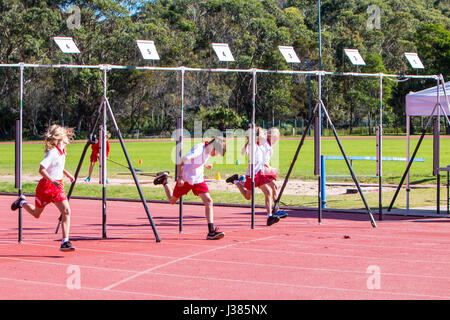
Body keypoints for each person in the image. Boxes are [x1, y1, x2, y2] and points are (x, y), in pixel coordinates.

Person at [11, 124, 76, 252]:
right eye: (66, 136)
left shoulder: (62, 152)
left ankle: (65, 242)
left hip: (57, 187)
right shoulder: (52, 153)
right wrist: (52, 180)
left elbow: (57, 167)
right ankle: (22, 202)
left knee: (66, 211)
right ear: (61, 138)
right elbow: (42, 169)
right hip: (46, 187)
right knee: (36, 214)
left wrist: (67, 174)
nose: (69, 138)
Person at [153, 136, 227, 240]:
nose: (215, 155)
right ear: (213, 146)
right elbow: (182, 161)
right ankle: (164, 180)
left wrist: (205, 165)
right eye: (217, 152)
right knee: (172, 201)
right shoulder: (198, 150)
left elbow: (198, 160)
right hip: (186, 179)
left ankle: (211, 232)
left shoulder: (207, 150)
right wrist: (179, 178)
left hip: (198, 179)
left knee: (209, 201)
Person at [226, 127, 280, 226]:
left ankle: (270, 216)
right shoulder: (252, 145)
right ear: (257, 136)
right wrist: (248, 142)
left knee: (268, 192)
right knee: (248, 196)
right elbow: (243, 152)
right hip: (252, 174)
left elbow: (264, 158)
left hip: (260, 173)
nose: (264, 136)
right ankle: (236, 181)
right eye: (262, 134)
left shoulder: (263, 146)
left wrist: (268, 167)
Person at [262, 127, 287, 218]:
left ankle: (276, 209)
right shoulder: (265, 146)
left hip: (265, 168)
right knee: (249, 194)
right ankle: (274, 211)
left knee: (274, 187)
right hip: (262, 169)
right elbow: (263, 161)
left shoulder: (269, 145)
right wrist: (271, 169)